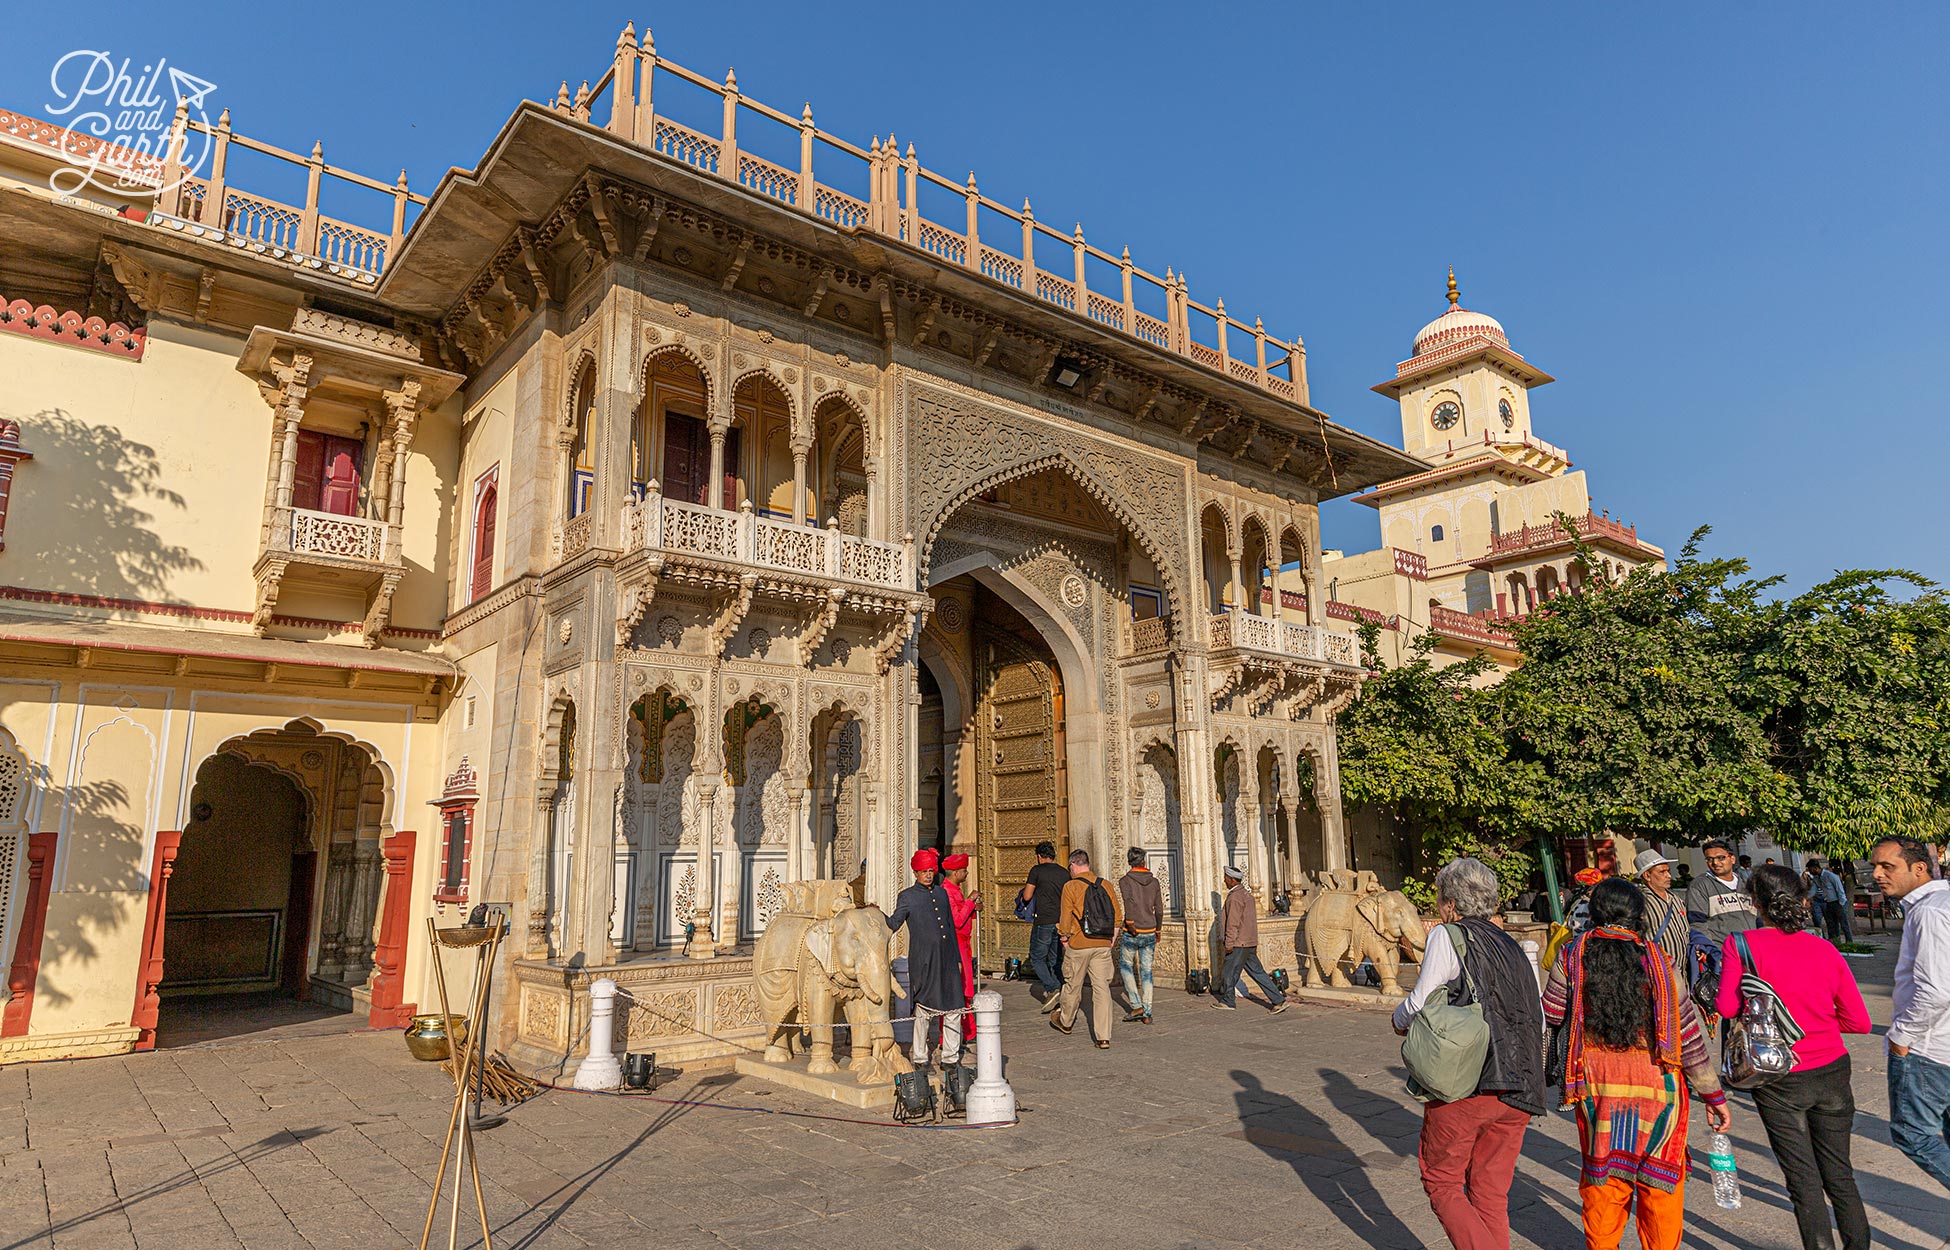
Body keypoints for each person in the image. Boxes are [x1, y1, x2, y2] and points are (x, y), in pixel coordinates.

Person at [1544, 879, 1731, 1250]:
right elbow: (1690, 1039)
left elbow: (1550, 1014)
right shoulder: (1660, 961)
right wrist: (1714, 1097)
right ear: (1638, 915)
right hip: (1659, 1089)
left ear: (1594, 911)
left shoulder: (1571, 955)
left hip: (1597, 1088)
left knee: (1603, 1181)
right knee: (1660, 1184)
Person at [1714, 865, 1871, 1250]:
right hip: (1832, 1069)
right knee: (1840, 1175)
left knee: (1803, 1182)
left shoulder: (1741, 944)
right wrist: (1817, 1022)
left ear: (1755, 903)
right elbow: (1860, 1022)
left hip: (1778, 1074)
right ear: (1803, 899)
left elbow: (1726, 1004)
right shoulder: (1825, 948)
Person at [1392, 858, 1545, 1250]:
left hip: (1472, 1081)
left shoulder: (1449, 935)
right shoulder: (1513, 944)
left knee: (1441, 1180)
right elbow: (1539, 1017)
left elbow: (1421, 1001)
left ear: (1451, 904)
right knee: (1489, 1191)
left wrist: (1398, 1018)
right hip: (1522, 1086)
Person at [1872, 834, 1950, 1192]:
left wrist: (1902, 1038)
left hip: (1929, 1047)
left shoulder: (1930, 912)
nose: (1876, 874)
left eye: (1887, 866)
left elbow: (1935, 991)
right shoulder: (1941, 902)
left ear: (1919, 869)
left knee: (1912, 1134)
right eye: (1875, 865)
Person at [886, 848, 965, 1068]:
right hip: (924, 961)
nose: (928, 875)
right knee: (924, 1010)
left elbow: (949, 926)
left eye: (931, 870)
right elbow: (893, 923)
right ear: (916, 873)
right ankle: (920, 1057)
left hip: (947, 959)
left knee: (953, 1008)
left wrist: (957, 958)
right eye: (923, 871)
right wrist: (874, 914)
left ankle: (950, 1057)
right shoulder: (907, 896)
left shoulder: (941, 893)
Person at [1053, 849, 1122, 1049]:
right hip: (1102, 944)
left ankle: (1065, 1021)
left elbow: (1065, 917)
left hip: (1079, 944)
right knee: (1102, 989)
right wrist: (1111, 940)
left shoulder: (1071, 886)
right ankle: (1103, 1037)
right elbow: (1117, 917)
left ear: (1073, 865)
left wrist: (1064, 938)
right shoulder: (1105, 884)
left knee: (1073, 985)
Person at [1214, 864, 1289, 1013]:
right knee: (1257, 973)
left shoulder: (1234, 897)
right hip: (1249, 942)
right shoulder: (1247, 895)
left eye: (1226, 878)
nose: (1224, 880)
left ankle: (1228, 1001)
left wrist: (1229, 942)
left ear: (1232, 880)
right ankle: (1278, 1000)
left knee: (1228, 972)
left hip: (1238, 942)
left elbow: (1233, 923)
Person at [1020, 841, 1070, 1007]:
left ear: (1039, 856)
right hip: (1060, 921)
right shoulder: (1064, 873)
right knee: (1055, 959)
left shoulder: (1037, 870)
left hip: (1043, 921)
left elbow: (1027, 896)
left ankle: (1052, 987)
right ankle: (1062, 992)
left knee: (1037, 958)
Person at [1687, 839, 1758, 953]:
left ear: (1732, 859)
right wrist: (1712, 953)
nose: (1715, 863)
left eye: (1721, 858)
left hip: (1753, 951)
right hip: (1724, 954)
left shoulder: (1747, 884)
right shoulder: (1700, 886)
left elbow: (1759, 917)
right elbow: (1698, 923)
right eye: (1710, 859)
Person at [1116, 847, 1162, 1024]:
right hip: (1150, 929)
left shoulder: (1125, 881)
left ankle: (1136, 1005)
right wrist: (1158, 929)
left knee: (1126, 967)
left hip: (1132, 931)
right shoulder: (1154, 882)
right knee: (1147, 972)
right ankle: (1147, 1011)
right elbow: (1159, 908)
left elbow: (1129, 903)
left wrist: (1130, 923)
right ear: (1143, 861)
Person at [941, 852, 979, 1038]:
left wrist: (972, 906)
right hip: (956, 945)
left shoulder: (954, 890)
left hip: (963, 942)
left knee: (965, 988)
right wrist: (970, 901)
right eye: (964, 870)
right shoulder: (947, 891)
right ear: (956, 873)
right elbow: (957, 920)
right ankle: (956, 1033)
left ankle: (968, 1031)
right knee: (960, 988)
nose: (966, 874)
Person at [1633, 849, 1687, 973]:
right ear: (1647, 876)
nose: (1668, 875)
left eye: (1668, 871)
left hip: (1682, 971)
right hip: (1657, 971)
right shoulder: (1639, 901)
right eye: (1662, 872)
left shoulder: (1676, 899)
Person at [1815, 859, 1854, 942]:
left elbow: (1839, 889)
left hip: (1837, 901)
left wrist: (1841, 903)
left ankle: (1849, 941)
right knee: (1831, 923)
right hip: (1828, 902)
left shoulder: (1830, 876)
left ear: (1815, 868)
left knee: (1844, 923)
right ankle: (1835, 940)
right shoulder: (1818, 877)